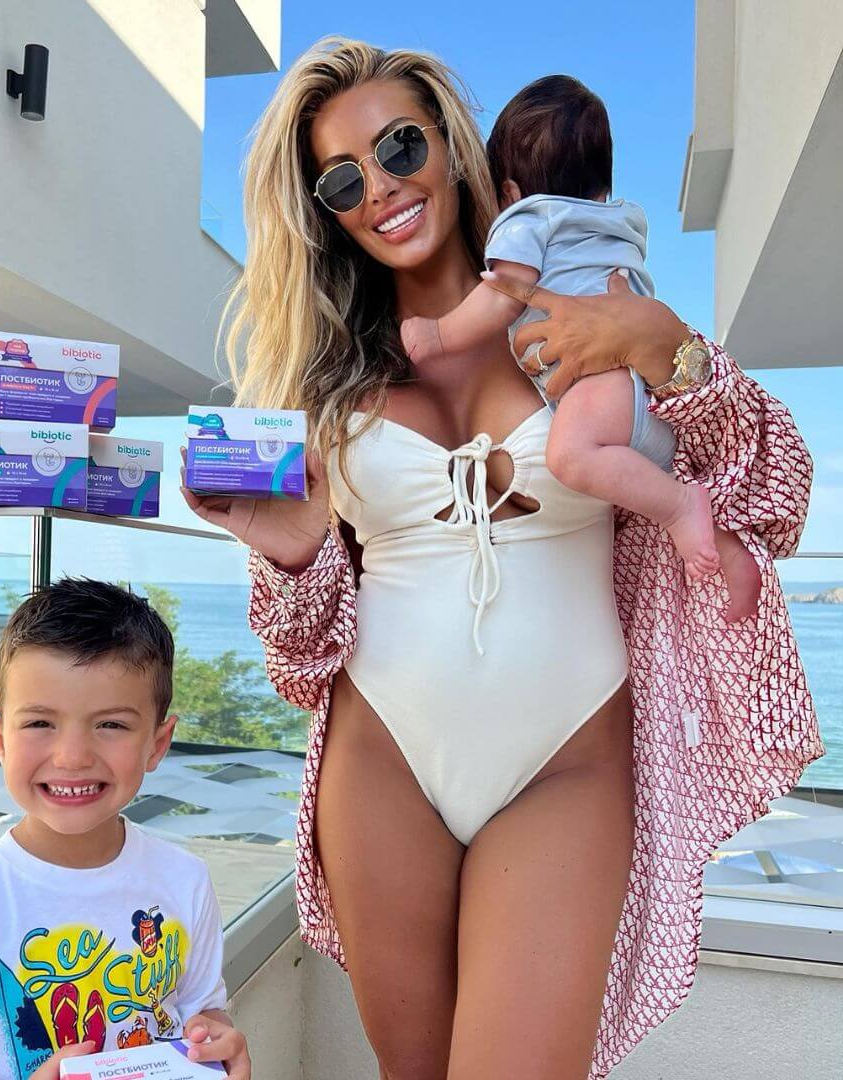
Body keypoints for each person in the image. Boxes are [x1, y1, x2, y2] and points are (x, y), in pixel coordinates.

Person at [182, 37, 819, 1080]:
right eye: (342, 180)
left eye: (400, 146)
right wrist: (293, 558)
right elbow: (301, 659)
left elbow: (775, 493)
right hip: (382, 757)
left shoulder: (586, 307)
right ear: (324, 211)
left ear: (451, 144)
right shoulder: (324, 386)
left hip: (568, 755)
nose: (381, 188)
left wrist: (669, 349)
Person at [0, 578, 250, 1080]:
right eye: (40, 723)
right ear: (0, 739)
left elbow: (202, 1010)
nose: (72, 757)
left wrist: (216, 1042)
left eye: (111, 725)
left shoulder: (185, 881)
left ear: (158, 743)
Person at [400, 74, 760, 621]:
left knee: (571, 458)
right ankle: (719, 541)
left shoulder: (527, 218)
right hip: (643, 396)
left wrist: (440, 334)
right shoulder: (619, 222)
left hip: (598, 386)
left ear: (508, 192)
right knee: (652, 488)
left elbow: (504, 293)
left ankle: (681, 507)